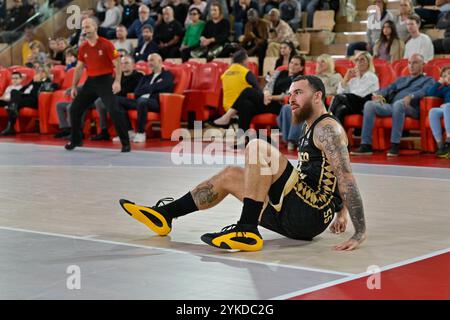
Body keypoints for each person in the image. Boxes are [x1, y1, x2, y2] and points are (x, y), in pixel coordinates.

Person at [119, 75, 367, 252]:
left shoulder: (328, 128)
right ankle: (165, 215)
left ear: (318, 96)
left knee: (257, 146)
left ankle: (247, 229)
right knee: (230, 174)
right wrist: (341, 212)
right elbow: (335, 173)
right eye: (290, 93)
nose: (291, 98)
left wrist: (359, 231)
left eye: (298, 93)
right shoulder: (309, 125)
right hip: (297, 216)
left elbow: (346, 177)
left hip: (310, 213)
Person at [64, 18, 131, 153]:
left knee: (113, 110)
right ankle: (76, 140)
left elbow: (117, 63)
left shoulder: (106, 44)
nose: (85, 30)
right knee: (74, 109)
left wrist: (117, 81)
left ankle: (125, 142)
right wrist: (73, 87)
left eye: (87, 27)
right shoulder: (83, 47)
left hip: (106, 80)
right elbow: (79, 67)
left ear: (95, 27)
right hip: (91, 81)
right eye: (83, 27)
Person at [351, 54, 435, 157]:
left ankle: (394, 145)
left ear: (423, 65)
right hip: (392, 106)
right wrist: (377, 95)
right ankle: (366, 145)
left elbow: (425, 91)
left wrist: (411, 96)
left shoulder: (428, 80)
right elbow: (389, 88)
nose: (411, 66)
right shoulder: (401, 79)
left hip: (411, 108)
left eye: (415, 63)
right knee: (369, 105)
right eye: (409, 63)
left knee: (399, 104)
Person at [212, 55, 305, 133]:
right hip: (267, 101)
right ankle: (242, 138)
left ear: (301, 68)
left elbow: (287, 96)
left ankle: (227, 116)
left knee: (248, 90)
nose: (292, 65)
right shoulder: (280, 72)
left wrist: (270, 97)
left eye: (296, 64)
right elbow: (269, 85)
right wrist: (266, 94)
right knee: (246, 104)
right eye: (291, 62)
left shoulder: (300, 80)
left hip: (279, 106)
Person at [278, 54, 342, 151]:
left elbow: (338, 92)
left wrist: (319, 91)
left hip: (322, 102)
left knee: (302, 106)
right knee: (287, 107)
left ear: (329, 64)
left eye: (322, 62)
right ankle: (288, 140)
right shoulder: (312, 78)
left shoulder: (335, 76)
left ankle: (295, 140)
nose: (319, 64)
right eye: (318, 62)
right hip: (307, 99)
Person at [116, 53, 174, 143]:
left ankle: (141, 132)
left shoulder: (167, 75)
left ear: (160, 61)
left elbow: (165, 86)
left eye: (152, 60)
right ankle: (129, 131)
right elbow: (137, 92)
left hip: (157, 102)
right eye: (148, 60)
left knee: (142, 101)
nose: (149, 62)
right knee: (117, 100)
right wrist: (154, 86)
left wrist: (147, 89)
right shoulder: (146, 77)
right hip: (140, 101)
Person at [93, 54, 143, 141]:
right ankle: (111, 131)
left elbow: (134, 91)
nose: (123, 65)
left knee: (100, 102)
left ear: (133, 65)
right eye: (122, 63)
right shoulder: (118, 76)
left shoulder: (138, 76)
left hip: (129, 100)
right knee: (96, 101)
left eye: (126, 63)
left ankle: (105, 131)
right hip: (116, 99)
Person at [0, 65, 55, 136]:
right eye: (38, 71)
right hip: (26, 98)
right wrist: (18, 94)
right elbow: (24, 88)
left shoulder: (47, 82)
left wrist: (37, 83)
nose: (39, 73)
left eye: (42, 71)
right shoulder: (34, 79)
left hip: (34, 100)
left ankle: (10, 124)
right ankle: (11, 114)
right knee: (14, 92)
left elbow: (36, 94)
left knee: (13, 103)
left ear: (46, 73)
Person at [212, 50, 260, 127]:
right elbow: (258, 91)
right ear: (243, 60)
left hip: (227, 107)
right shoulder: (246, 72)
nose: (248, 62)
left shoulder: (225, 73)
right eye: (247, 59)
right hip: (242, 108)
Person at [329, 51, 379, 126]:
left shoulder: (371, 76)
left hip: (364, 104)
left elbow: (360, 94)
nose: (359, 62)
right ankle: (337, 136)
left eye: (362, 60)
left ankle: (325, 121)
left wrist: (345, 96)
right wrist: (346, 78)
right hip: (352, 104)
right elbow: (340, 92)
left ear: (368, 63)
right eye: (357, 60)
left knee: (338, 98)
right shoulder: (354, 80)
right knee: (341, 109)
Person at [426, 66, 450, 157]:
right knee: (433, 111)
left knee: (447, 106)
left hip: (447, 107)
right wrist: (439, 83)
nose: (447, 77)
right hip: (446, 108)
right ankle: (440, 146)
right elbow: (430, 93)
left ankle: (449, 141)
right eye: (444, 76)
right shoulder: (444, 88)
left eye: (449, 74)